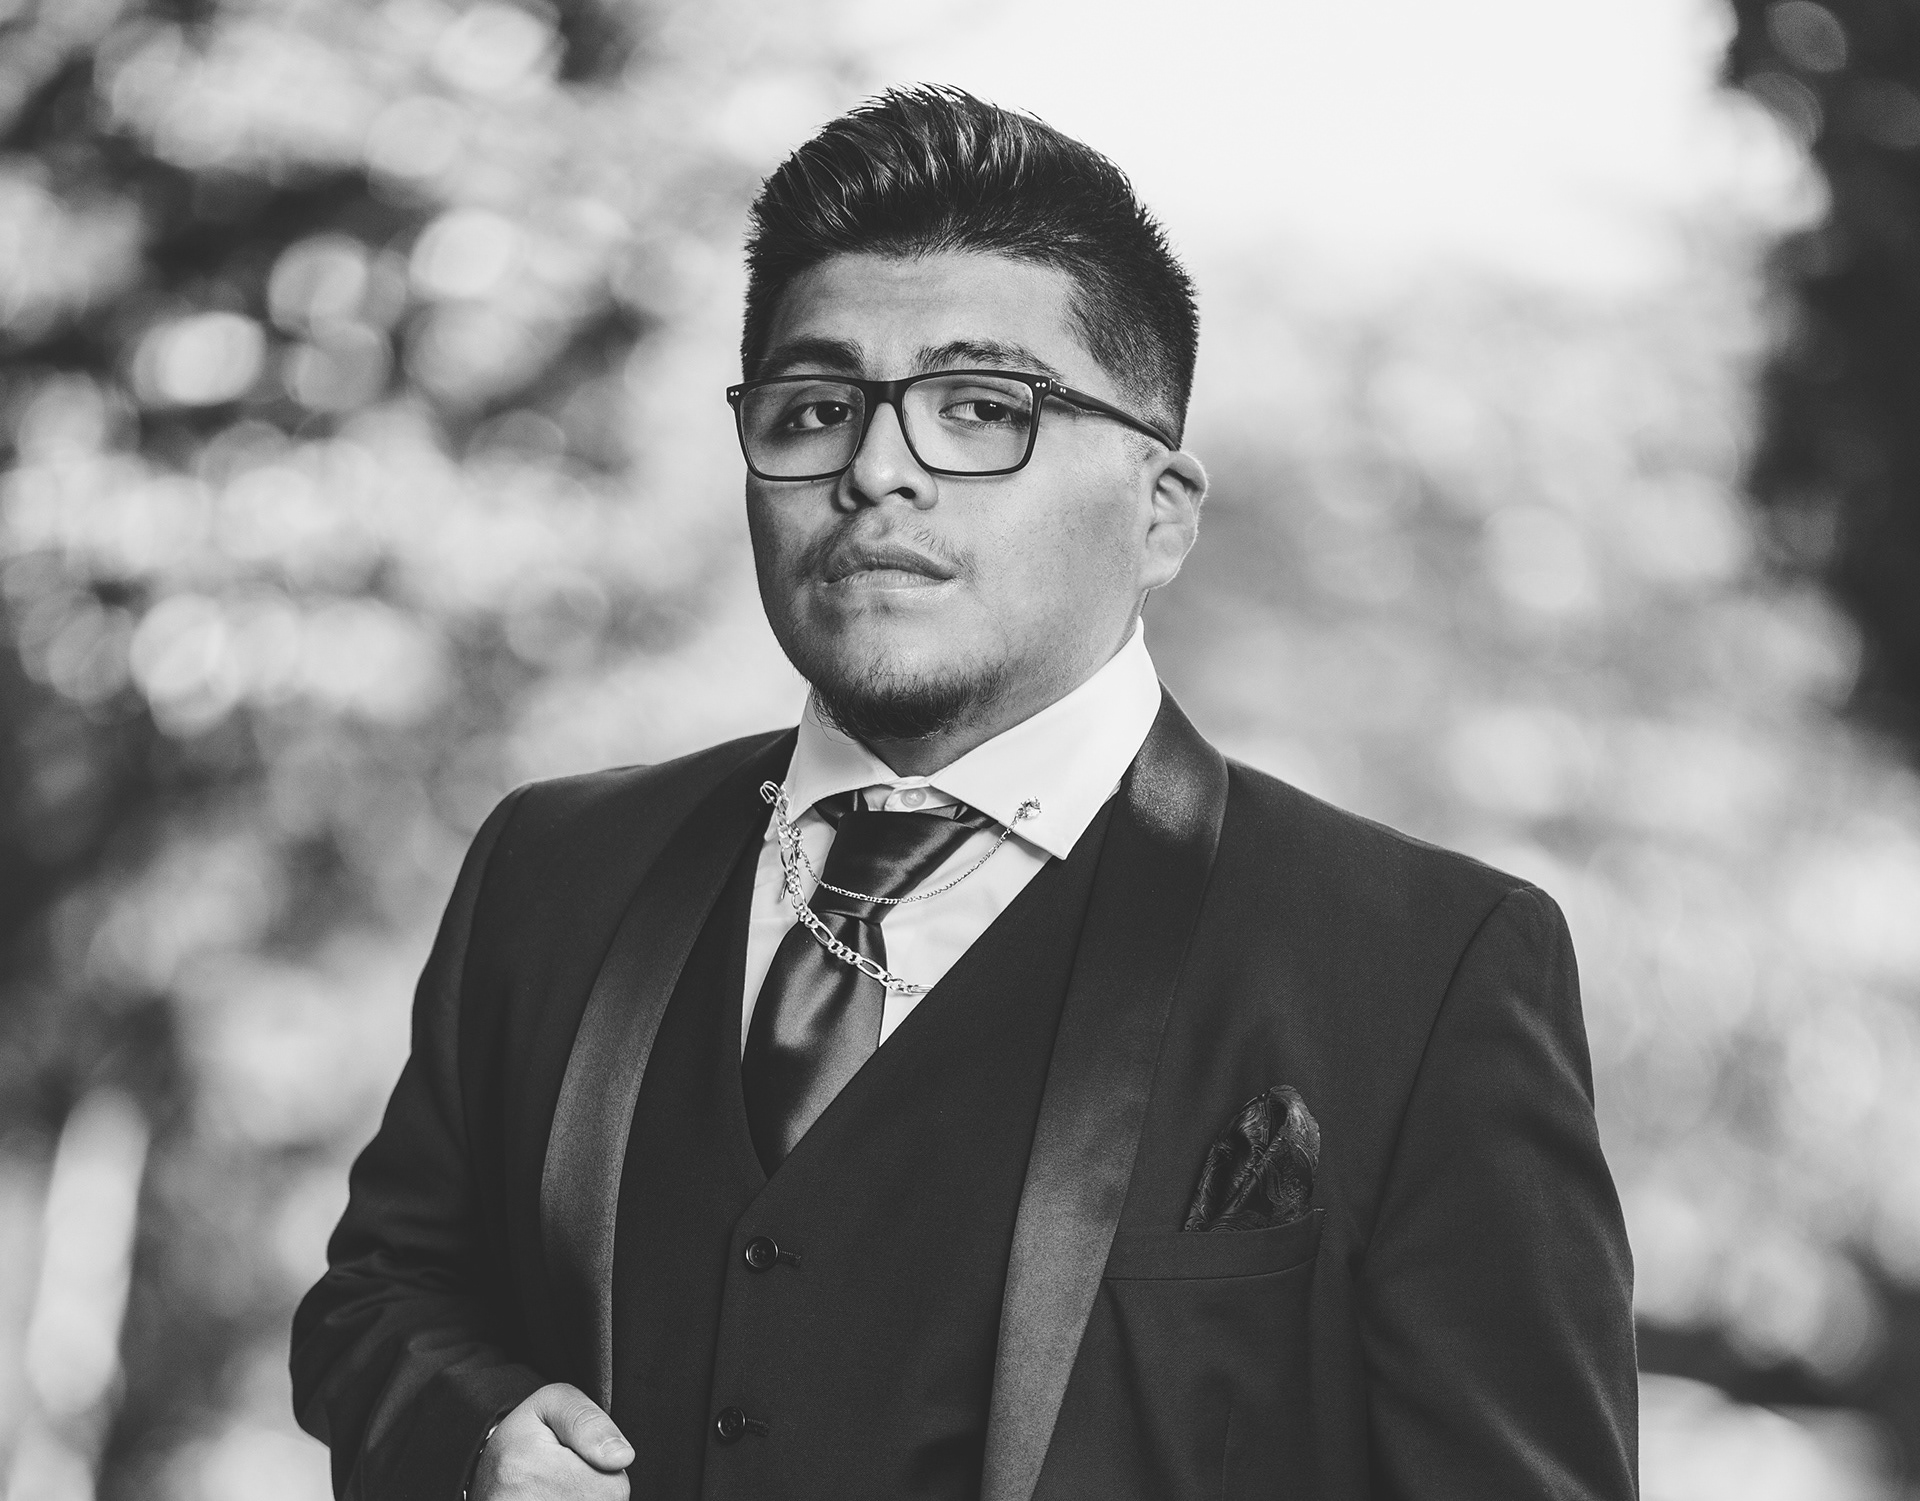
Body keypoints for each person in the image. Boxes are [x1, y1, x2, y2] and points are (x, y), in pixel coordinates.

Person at [291, 85, 1637, 1501]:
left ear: (1162, 510)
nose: (876, 471)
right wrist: (475, 1439)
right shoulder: (557, 866)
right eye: (817, 410)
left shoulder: (1424, 966)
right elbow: (382, 1294)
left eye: (982, 409)